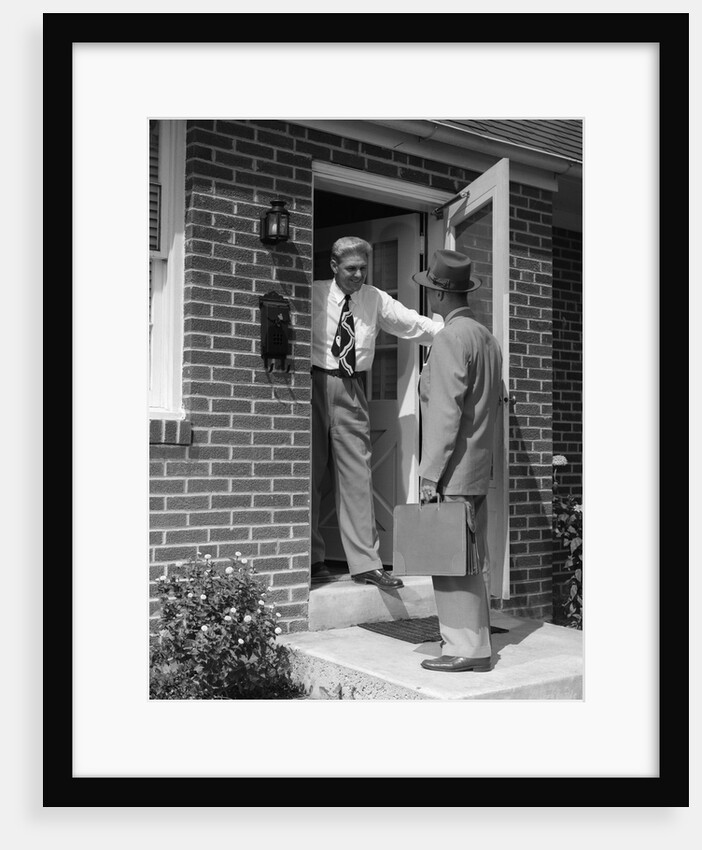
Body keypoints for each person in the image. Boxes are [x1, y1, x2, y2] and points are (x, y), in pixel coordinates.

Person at [311, 236, 443, 590]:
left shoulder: (374, 298)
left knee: (357, 474)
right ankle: (310, 558)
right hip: (312, 383)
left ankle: (366, 564)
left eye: (363, 269)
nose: (358, 275)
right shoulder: (314, 293)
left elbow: (413, 324)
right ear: (334, 266)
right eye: (351, 268)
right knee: (309, 473)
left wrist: (455, 333)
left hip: (352, 386)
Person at [412, 249, 503, 672]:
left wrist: (430, 474)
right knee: (469, 558)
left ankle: (466, 649)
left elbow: (447, 411)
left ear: (442, 294)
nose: (429, 296)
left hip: (453, 470)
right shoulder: (485, 337)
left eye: (431, 289)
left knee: (453, 563)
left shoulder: (451, 337)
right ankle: (473, 642)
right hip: (476, 466)